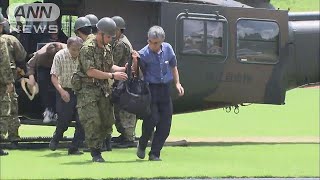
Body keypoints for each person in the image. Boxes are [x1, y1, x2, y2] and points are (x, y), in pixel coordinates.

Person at [77, 17, 127, 162]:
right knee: (93, 121)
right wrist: (112, 75)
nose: (111, 40)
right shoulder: (88, 48)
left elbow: (110, 65)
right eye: (109, 36)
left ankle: (100, 145)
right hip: (87, 89)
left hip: (103, 89)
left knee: (107, 121)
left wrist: (124, 69)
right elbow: (90, 71)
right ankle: (95, 152)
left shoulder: (106, 47)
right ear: (100, 33)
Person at [132, 26, 184, 161]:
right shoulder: (143, 54)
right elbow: (136, 74)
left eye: (155, 43)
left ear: (162, 41)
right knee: (152, 119)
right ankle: (142, 144)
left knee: (165, 124)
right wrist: (135, 61)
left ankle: (155, 153)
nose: (152, 45)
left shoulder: (168, 48)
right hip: (151, 90)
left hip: (165, 89)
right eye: (150, 41)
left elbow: (173, 66)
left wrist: (177, 83)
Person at [49, 37, 85, 155]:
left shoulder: (84, 56)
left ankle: (74, 147)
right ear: (68, 47)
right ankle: (56, 137)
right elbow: (54, 76)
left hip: (80, 91)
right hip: (64, 89)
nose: (76, 52)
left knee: (82, 120)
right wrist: (62, 91)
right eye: (73, 49)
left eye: (78, 50)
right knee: (64, 119)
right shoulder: (60, 56)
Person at [0, 13, 27, 146]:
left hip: (6, 78)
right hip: (6, 80)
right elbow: (21, 55)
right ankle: (13, 136)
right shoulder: (9, 39)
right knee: (10, 107)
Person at [111, 16, 137, 147]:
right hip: (123, 79)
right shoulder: (120, 41)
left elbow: (112, 62)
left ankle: (128, 138)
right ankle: (124, 135)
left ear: (118, 30)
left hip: (123, 81)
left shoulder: (120, 44)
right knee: (120, 109)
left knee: (124, 110)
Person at [26, 42, 67, 123]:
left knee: (61, 88)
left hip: (61, 68)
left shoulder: (66, 51)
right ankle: (48, 111)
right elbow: (30, 64)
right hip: (44, 67)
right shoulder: (40, 54)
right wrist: (31, 77)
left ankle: (59, 112)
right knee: (44, 89)